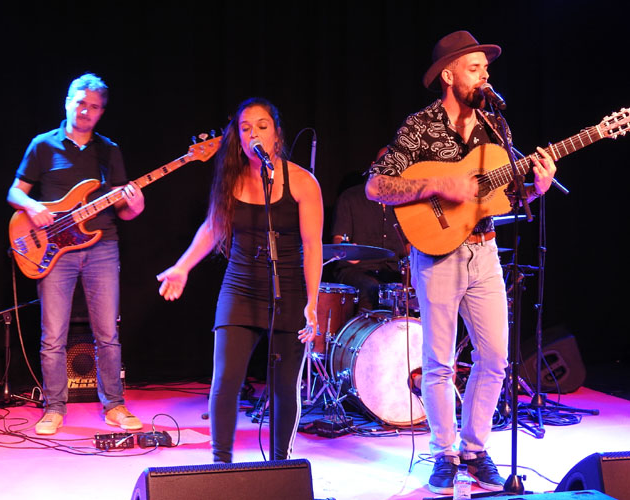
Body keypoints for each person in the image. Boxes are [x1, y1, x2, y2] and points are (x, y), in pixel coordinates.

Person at [365, 31, 556, 494]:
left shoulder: (497, 129)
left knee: (495, 358)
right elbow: (376, 185)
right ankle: (444, 452)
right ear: (449, 75)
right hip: (436, 254)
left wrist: (536, 189)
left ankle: (474, 448)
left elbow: (503, 200)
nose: (484, 76)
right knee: (439, 362)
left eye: (486, 69)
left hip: (485, 250)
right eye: (475, 68)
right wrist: (436, 185)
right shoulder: (420, 125)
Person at [157, 97, 323, 463]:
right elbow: (212, 227)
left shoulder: (302, 182)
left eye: (262, 126)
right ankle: (221, 464)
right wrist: (182, 267)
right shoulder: (231, 179)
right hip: (240, 285)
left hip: (288, 287)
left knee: (284, 387)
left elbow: (313, 247)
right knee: (225, 380)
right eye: (245, 129)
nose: (253, 134)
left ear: (277, 134)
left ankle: (281, 465)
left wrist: (312, 304)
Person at [7, 73, 145, 435]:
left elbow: (123, 208)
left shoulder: (109, 151)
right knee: (53, 335)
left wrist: (136, 205)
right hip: (54, 249)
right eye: (81, 103)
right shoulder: (42, 145)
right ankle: (54, 407)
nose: (86, 111)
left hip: (102, 246)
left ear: (101, 112)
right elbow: (15, 192)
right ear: (68, 102)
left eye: (94, 107)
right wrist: (33, 207)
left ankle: (114, 405)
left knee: (107, 333)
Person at [330, 149, 409, 312]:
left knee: (415, 289)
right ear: (374, 167)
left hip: (392, 272)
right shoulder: (351, 197)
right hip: (356, 270)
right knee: (371, 289)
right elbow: (338, 240)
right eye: (386, 165)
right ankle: (365, 328)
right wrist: (348, 250)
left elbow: (407, 248)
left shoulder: (405, 203)